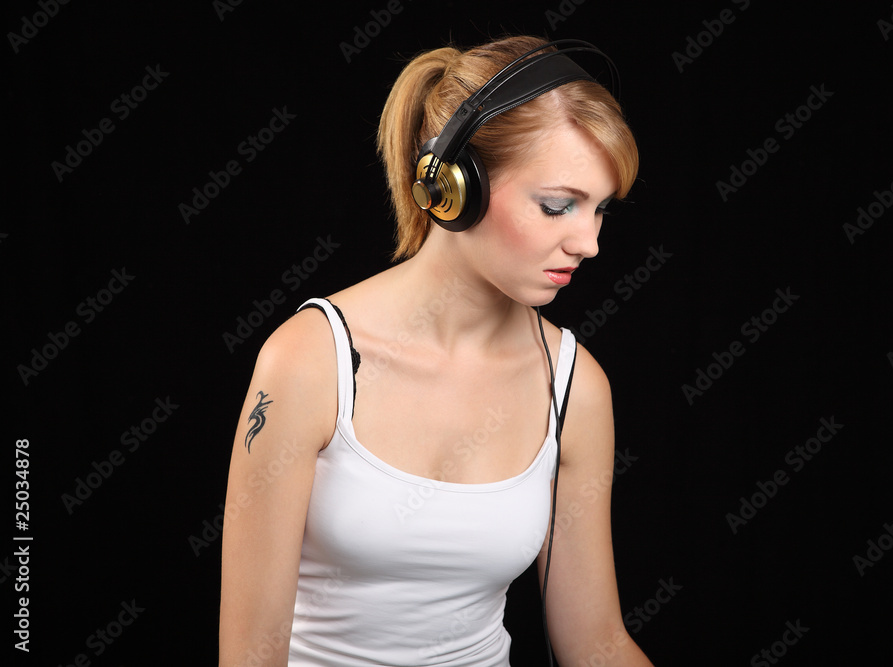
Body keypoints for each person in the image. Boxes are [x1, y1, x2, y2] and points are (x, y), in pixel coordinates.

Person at [219, 34, 651, 666]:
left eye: (600, 209)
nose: (588, 242)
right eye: (558, 206)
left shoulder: (574, 387)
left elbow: (596, 645)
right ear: (453, 188)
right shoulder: (309, 361)